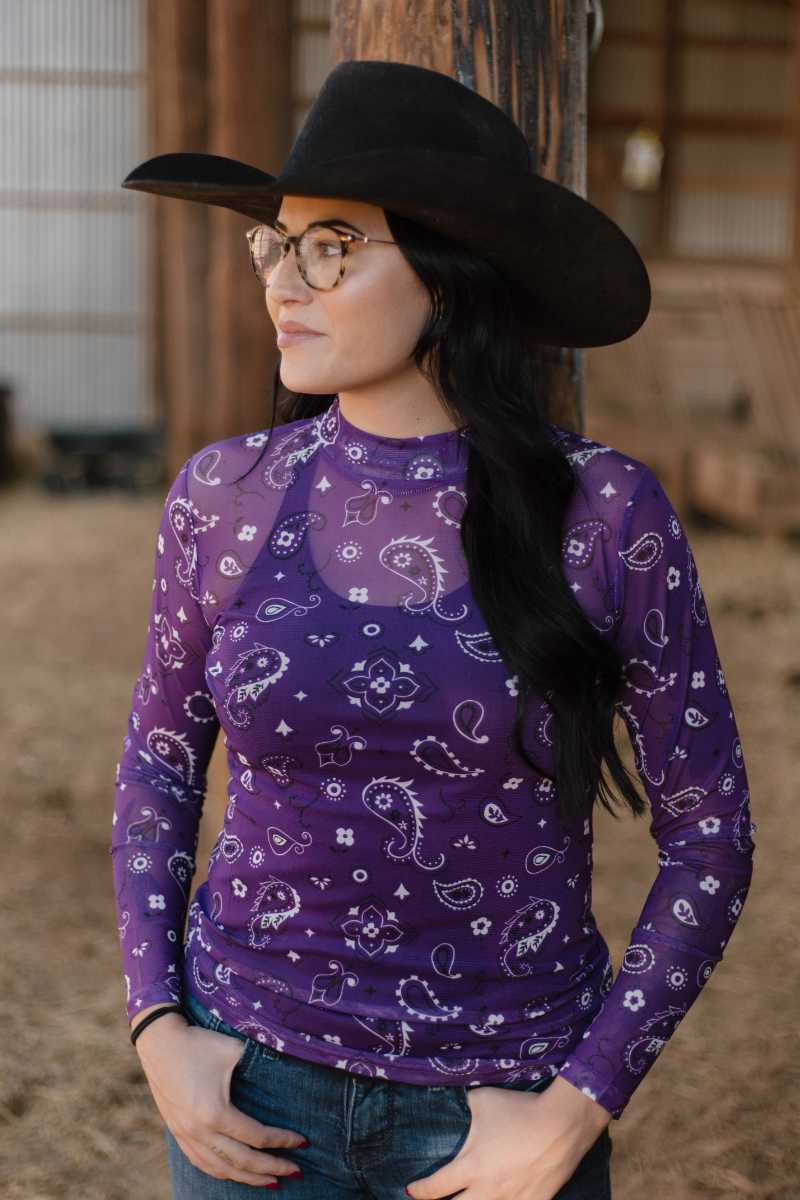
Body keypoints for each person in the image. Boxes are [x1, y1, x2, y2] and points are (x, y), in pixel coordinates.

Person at [113, 62, 754, 1200]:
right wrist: (159, 1026)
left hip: (500, 1105)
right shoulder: (223, 496)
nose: (281, 284)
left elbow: (707, 835)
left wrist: (573, 1111)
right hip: (249, 1097)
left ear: (452, 284)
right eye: (277, 245)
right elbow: (161, 766)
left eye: (332, 247)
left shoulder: (605, 515)